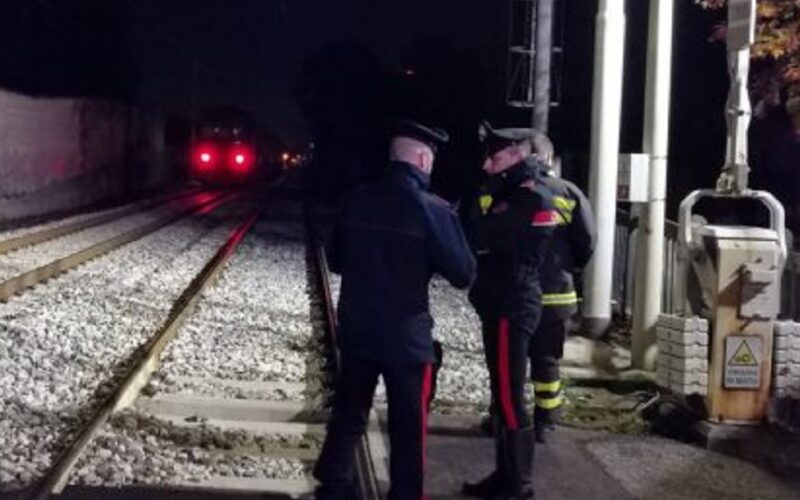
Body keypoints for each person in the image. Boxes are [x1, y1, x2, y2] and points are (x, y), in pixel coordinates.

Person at [314, 120, 476, 500]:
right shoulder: (432, 210)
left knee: (350, 412)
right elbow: (464, 272)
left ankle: (334, 483)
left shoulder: (357, 198)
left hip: (357, 329)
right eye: (431, 159)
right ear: (422, 158)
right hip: (406, 339)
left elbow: (335, 260)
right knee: (408, 427)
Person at [463, 124, 560, 500]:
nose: (489, 163)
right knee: (501, 391)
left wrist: (482, 200)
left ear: (519, 154)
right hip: (501, 299)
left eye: (497, 156)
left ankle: (519, 484)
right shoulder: (511, 191)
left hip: (511, 302)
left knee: (508, 396)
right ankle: (504, 476)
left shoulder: (529, 195)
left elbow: (478, 236)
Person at [523, 135, 595, 444]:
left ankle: (503, 416)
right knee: (547, 360)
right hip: (557, 294)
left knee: (510, 361)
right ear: (551, 158)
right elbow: (587, 242)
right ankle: (545, 423)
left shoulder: (510, 192)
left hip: (517, 295)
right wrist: (569, 267)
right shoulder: (570, 193)